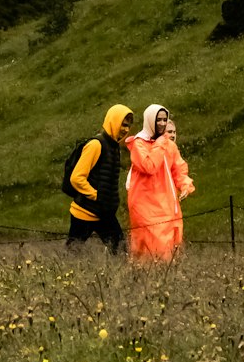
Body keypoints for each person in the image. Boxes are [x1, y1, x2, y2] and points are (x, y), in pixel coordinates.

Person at [125, 103, 195, 261]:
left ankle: (165, 281)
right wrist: (161, 142)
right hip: (146, 206)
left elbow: (179, 169)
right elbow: (149, 166)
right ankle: (144, 281)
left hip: (168, 206)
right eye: (159, 120)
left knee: (170, 250)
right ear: (150, 121)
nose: (163, 123)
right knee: (150, 252)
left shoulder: (169, 145)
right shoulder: (139, 144)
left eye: (165, 119)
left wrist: (185, 185)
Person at [66, 104, 134, 253]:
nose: (126, 130)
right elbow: (76, 178)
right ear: (112, 120)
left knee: (122, 252)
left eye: (128, 126)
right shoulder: (96, 145)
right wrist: (96, 196)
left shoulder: (114, 147)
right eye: (123, 124)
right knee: (72, 255)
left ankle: (122, 277)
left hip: (104, 213)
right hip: (84, 212)